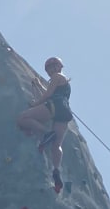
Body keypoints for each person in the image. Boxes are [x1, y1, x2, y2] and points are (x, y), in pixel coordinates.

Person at [17, 56, 73, 192]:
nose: (50, 70)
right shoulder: (64, 82)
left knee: (23, 118)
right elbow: (49, 93)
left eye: (52, 67)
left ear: (59, 67)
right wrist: (37, 84)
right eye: (48, 69)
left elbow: (47, 96)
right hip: (65, 113)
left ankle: (47, 133)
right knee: (57, 145)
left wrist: (34, 104)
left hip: (54, 106)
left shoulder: (57, 76)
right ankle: (56, 171)